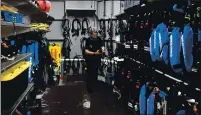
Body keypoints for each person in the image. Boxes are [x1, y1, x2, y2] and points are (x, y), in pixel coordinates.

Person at [84, 29, 105, 94]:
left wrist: (102, 50)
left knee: (95, 73)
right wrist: (94, 53)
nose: (95, 34)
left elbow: (102, 47)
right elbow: (86, 51)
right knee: (90, 74)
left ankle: (95, 87)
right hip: (90, 60)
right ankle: (89, 88)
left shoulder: (99, 39)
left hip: (97, 60)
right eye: (94, 32)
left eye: (96, 32)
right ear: (91, 33)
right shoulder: (88, 40)